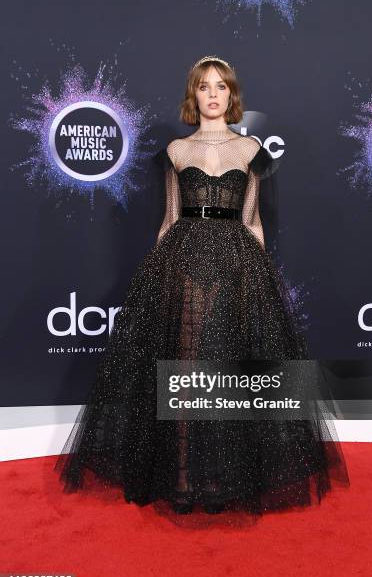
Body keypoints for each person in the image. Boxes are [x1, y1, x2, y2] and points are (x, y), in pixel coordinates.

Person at [55, 55, 349, 521]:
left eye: (221, 87)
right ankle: (184, 477)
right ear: (193, 96)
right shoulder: (176, 151)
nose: (213, 94)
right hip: (183, 263)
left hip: (237, 265)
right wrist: (153, 276)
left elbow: (252, 221)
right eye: (204, 87)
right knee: (185, 372)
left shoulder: (251, 150)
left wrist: (263, 278)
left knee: (227, 368)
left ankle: (222, 477)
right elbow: (169, 220)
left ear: (232, 96)